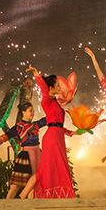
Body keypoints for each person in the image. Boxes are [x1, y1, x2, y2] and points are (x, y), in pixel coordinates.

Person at [28, 66, 76, 199]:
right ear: (50, 88)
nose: (60, 87)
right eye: (57, 85)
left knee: (56, 167)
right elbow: (44, 89)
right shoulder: (46, 100)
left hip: (58, 137)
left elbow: (58, 123)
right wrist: (36, 74)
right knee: (50, 168)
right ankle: (59, 194)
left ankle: (54, 194)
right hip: (52, 138)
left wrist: (71, 132)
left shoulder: (55, 102)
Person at [0, 101, 46, 199]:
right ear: (23, 112)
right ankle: (6, 205)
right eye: (30, 111)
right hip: (26, 157)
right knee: (15, 185)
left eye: (33, 111)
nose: (33, 113)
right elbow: (6, 136)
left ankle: (30, 205)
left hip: (38, 154)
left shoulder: (36, 125)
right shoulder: (18, 127)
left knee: (34, 184)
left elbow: (48, 118)